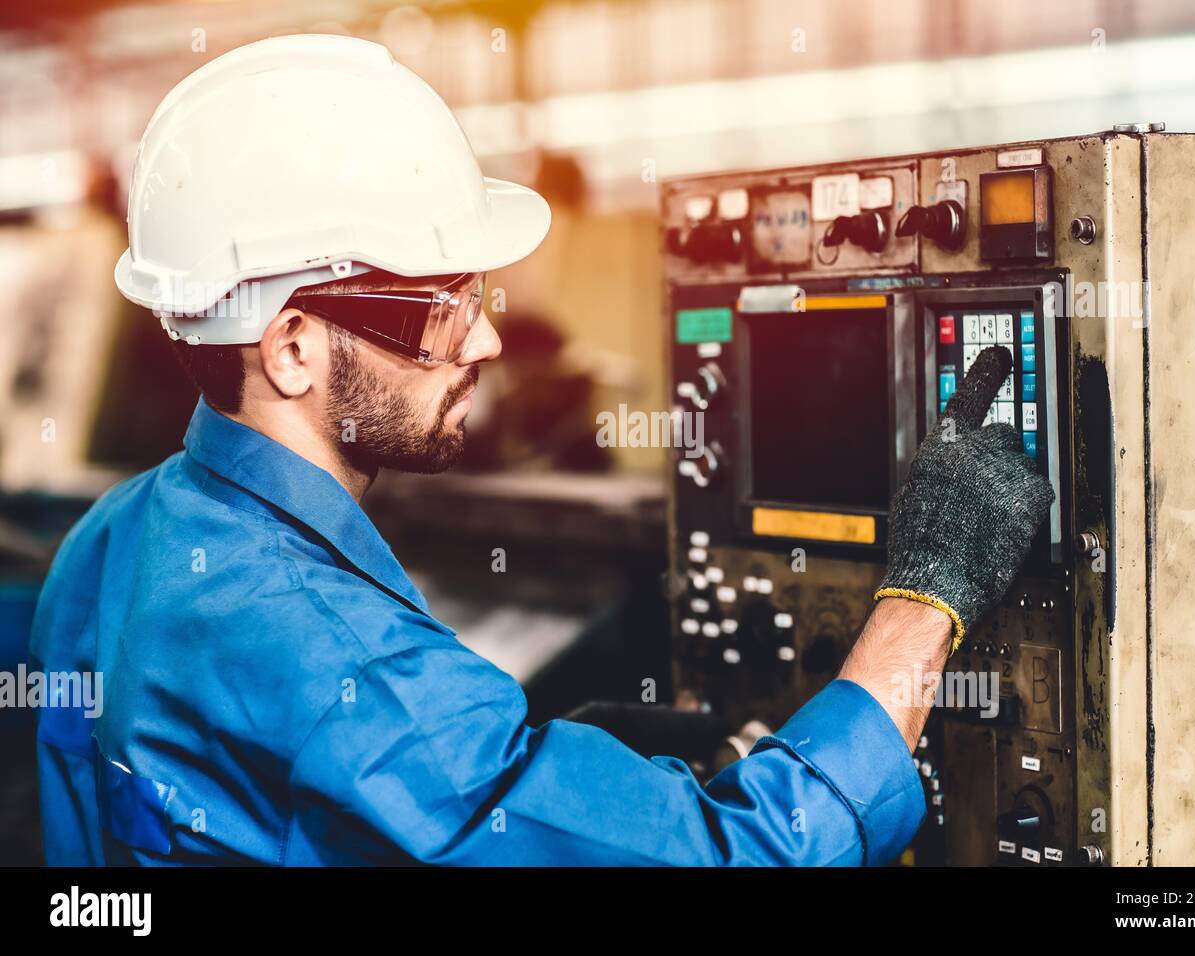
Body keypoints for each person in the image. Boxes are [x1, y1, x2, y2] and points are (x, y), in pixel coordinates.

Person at [29, 35, 1052, 866]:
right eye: (439, 311)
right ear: (293, 346)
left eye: (476, 296)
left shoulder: (111, 542)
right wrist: (928, 590)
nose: (483, 339)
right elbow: (740, 855)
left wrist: (535, 767)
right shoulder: (344, 660)